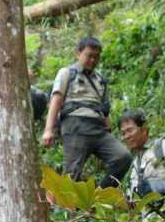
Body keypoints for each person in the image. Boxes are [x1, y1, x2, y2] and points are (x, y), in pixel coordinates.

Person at [40, 37, 131, 188]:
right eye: (89, 55)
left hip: (98, 128)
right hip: (75, 126)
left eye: (96, 57)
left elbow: (103, 107)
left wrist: (108, 126)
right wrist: (48, 130)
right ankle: (65, 211)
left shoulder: (99, 79)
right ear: (78, 53)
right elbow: (56, 101)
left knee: (123, 157)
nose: (92, 60)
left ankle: (99, 198)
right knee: (72, 174)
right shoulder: (67, 73)